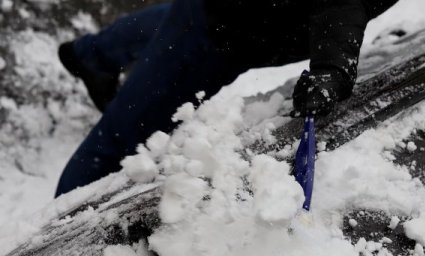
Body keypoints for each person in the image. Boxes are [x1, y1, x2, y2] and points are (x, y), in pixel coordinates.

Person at [55, 0, 397, 197]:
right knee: (120, 140)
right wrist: (333, 66)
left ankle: (92, 55)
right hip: (226, 29)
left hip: (245, 13)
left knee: (182, 20)